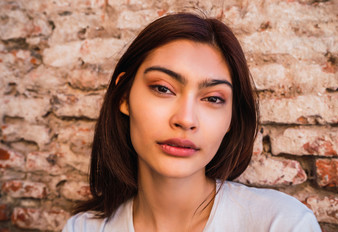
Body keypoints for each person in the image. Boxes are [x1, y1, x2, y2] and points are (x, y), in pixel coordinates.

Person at [62, 12, 321, 232]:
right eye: (163, 89)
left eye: (213, 99)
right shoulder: (83, 228)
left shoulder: (282, 224)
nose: (186, 120)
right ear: (124, 96)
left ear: (231, 119)